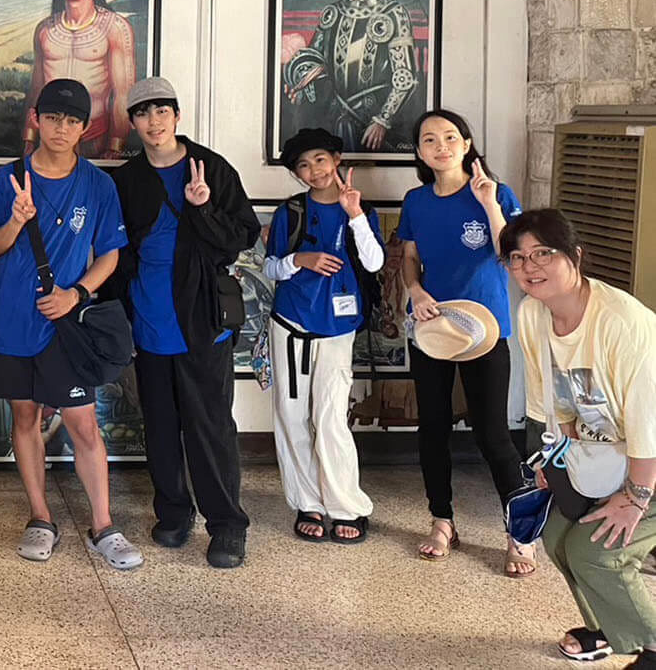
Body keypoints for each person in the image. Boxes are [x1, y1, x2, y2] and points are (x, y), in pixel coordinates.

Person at [0, 78, 140, 571]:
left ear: (84, 127)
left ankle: (103, 526)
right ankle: (40, 517)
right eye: (52, 118)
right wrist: (15, 221)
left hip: (64, 327)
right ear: (36, 120)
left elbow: (110, 255)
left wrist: (76, 294)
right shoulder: (9, 178)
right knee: (24, 419)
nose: (61, 128)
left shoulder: (98, 185)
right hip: (10, 321)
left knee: (83, 424)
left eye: (72, 121)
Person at [110, 76, 261, 569]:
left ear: (177, 116)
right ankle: (174, 513)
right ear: (133, 123)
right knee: (159, 426)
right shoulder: (126, 181)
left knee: (210, 425)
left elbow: (241, 237)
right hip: (148, 318)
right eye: (143, 113)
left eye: (162, 111)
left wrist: (203, 207)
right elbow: (117, 253)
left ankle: (227, 525)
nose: (153, 121)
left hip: (202, 320)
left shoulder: (211, 168)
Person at [508, 209, 656, 668]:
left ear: (575, 255)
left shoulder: (621, 323)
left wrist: (635, 498)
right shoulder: (532, 314)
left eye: (543, 253)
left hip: (648, 459)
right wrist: (551, 464)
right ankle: (610, 630)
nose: (529, 266)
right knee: (557, 537)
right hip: (604, 454)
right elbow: (553, 406)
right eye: (517, 257)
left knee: (594, 553)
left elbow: (648, 422)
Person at [397, 108, 531, 575]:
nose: (442, 146)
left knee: (493, 433)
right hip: (433, 327)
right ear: (419, 152)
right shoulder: (416, 201)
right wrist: (415, 291)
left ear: (467, 143)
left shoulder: (498, 193)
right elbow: (409, 257)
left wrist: (490, 204)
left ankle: (520, 531)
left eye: (450, 137)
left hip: (485, 330)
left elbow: (510, 255)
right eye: (429, 140)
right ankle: (442, 520)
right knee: (432, 427)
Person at [263, 128, 385, 545]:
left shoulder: (360, 209)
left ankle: (346, 505)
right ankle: (307, 502)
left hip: (338, 328)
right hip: (291, 324)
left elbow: (374, 263)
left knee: (331, 418)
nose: (313, 170)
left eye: (319, 159)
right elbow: (271, 268)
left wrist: (355, 215)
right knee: (291, 415)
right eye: (303, 165)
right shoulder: (291, 211)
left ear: (336, 160)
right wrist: (300, 259)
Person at [282, 0, 420, 153]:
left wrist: (383, 120)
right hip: (331, 118)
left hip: (373, 121)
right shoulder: (332, 12)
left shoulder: (394, 14)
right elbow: (314, 59)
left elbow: (404, 78)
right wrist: (299, 83)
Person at [22, 0, 137, 160]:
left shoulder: (115, 28)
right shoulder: (44, 30)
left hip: (96, 140)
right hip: (49, 143)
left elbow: (123, 95)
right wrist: (29, 138)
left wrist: (115, 146)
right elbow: (36, 89)